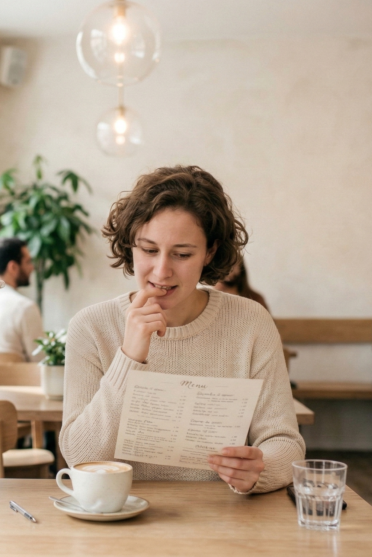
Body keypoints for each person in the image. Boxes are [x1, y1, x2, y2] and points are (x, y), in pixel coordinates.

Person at [60, 166, 305, 494]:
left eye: (182, 254)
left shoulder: (251, 323)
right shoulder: (91, 327)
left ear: (210, 252)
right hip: (119, 521)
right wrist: (129, 356)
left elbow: (285, 442)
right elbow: (80, 458)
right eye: (148, 250)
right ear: (130, 246)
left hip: (223, 521)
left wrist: (259, 469)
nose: (161, 271)